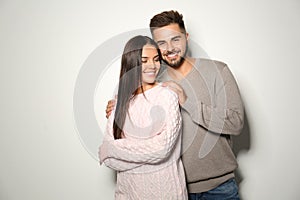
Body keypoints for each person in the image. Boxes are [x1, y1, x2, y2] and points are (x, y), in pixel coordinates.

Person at [106, 11, 244, 199]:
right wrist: (119, 106)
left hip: (219, 187)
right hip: (174, 188)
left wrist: (187, 101)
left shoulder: (217, 71)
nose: (169, 48)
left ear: (186, 38)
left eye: (175, 39)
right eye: (161, 43)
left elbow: (236, 123)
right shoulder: (153, 78)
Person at [99, 35, 188, 200]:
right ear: (132, 63)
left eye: (156, 59)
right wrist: (146, 152)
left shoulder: (167, 95)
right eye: (144, 60)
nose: (152, 66)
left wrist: (117, 149)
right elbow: (109, 158)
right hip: (127, 194)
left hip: (165, 193)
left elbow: (163, 149)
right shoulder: (121, 100)